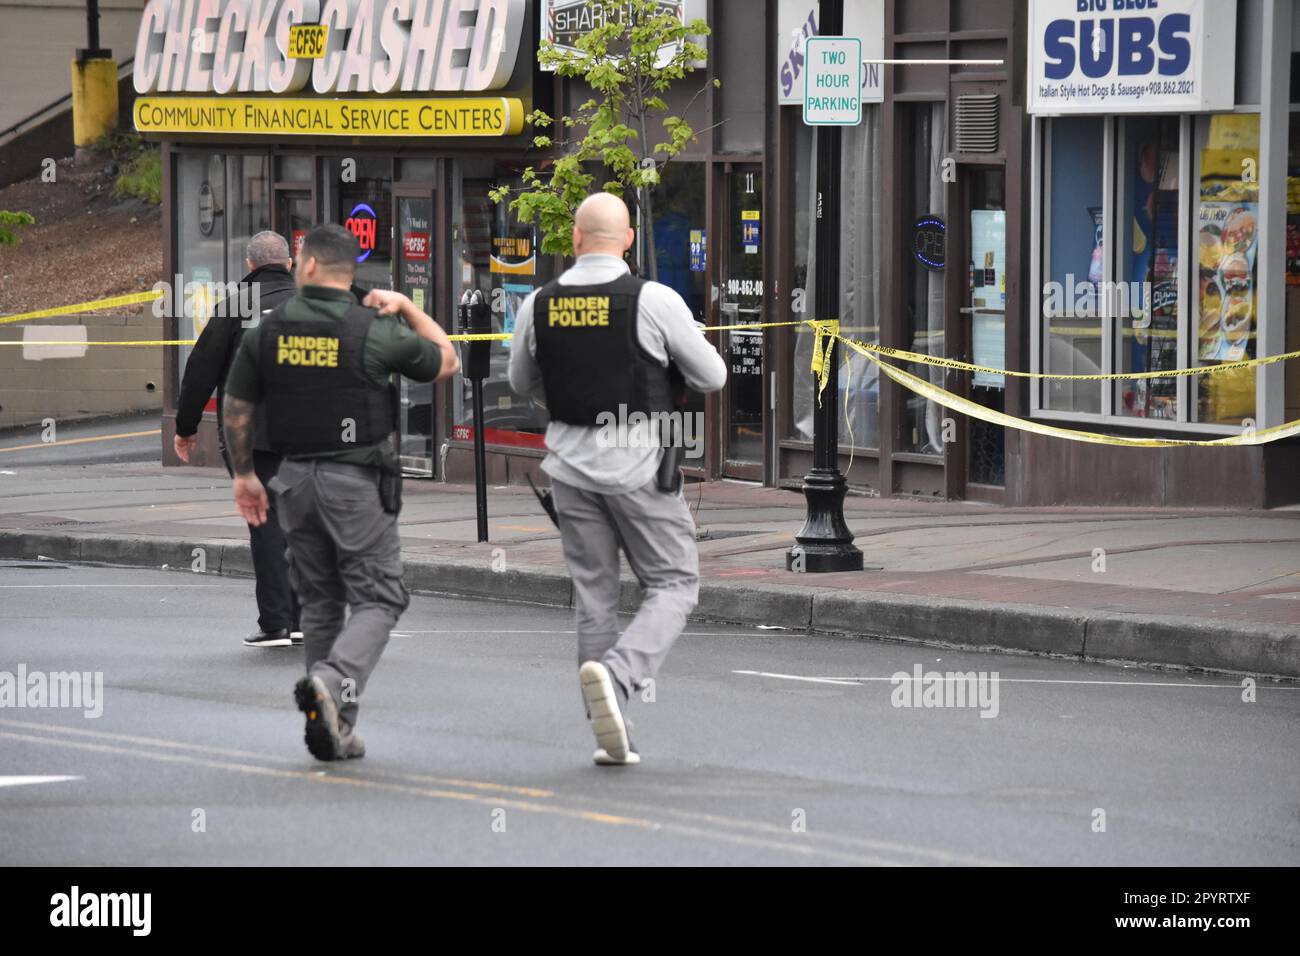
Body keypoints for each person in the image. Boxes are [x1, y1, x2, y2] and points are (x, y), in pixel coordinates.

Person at [221, 223, 459, 761]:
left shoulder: (267, 330)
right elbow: (447, 360)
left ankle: (336, 724)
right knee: (381, 597)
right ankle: (333, 679)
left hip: (293, 483)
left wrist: (244, 476)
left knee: (321, 603)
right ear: (350, 273)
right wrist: (406, 307)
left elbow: (236, 408)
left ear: (305, 267)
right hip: (356, 483)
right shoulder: (370, 328)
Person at [508, 192, 727, 767]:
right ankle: (620, 677)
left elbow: (521, 380)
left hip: (568, 469)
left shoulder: (539, 303)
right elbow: (712, 377)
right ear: (628, 240)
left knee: (594, 596)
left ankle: (610, 728)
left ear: (575, 240)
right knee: (675, 583)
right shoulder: (652, 299)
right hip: (640, 466)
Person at [174, 231, 303, 648]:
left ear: (250, 266)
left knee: (264, 523)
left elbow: (200, 370)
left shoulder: (234, 306)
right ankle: (304, 620)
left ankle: (276, 623)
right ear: (289, 262)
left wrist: (185, 428)